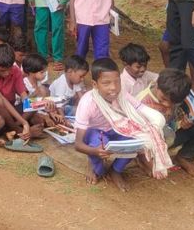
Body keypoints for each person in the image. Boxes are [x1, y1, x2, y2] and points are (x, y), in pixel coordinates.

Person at [73, 58, 172, 192]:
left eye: (117, 81)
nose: (113, 87)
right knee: (99, 161)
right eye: (106, 83)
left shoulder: (122, 94)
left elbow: (140, 107)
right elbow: (78, 144)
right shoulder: (88, 103)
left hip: (116, 128)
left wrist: (157, 121)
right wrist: (95, 152)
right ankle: (95, 167)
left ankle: (115, 170)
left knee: (138, 141)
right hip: (94, 131)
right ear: (95, 84)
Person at [137, 68, 194, 178]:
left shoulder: (178, 93)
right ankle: (142, 158)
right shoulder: (142, 103)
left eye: (173, 102)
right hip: (150, 139)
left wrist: (182, 123)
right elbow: (138, 133)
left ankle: (184, 157)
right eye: (163, 99)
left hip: (168, 134)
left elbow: (182, 116)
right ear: (157, 85)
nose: (167, 104)